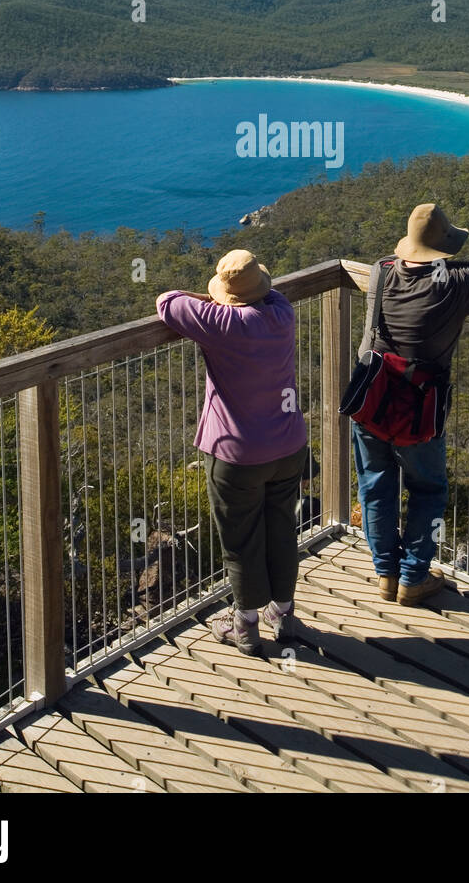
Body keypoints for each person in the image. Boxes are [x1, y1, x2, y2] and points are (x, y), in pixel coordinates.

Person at [354, 202, 469, 606]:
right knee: (428, 488)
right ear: (444, 251)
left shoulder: (381, 270)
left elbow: (396, 261)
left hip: (371, 393)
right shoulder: (458, 282)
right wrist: (459, 260)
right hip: (418, 403)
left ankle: (385, 575)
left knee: (376, 484)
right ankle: (413, 577)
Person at [156, 248, 308, 655]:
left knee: (241, 540)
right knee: (281, 529)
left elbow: (167, 302)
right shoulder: (281, 312)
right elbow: (267, 294)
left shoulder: (220, 323)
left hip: (236, 453)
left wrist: (214, 298)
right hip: (289, 444)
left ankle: (245, 625)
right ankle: (285, 614)